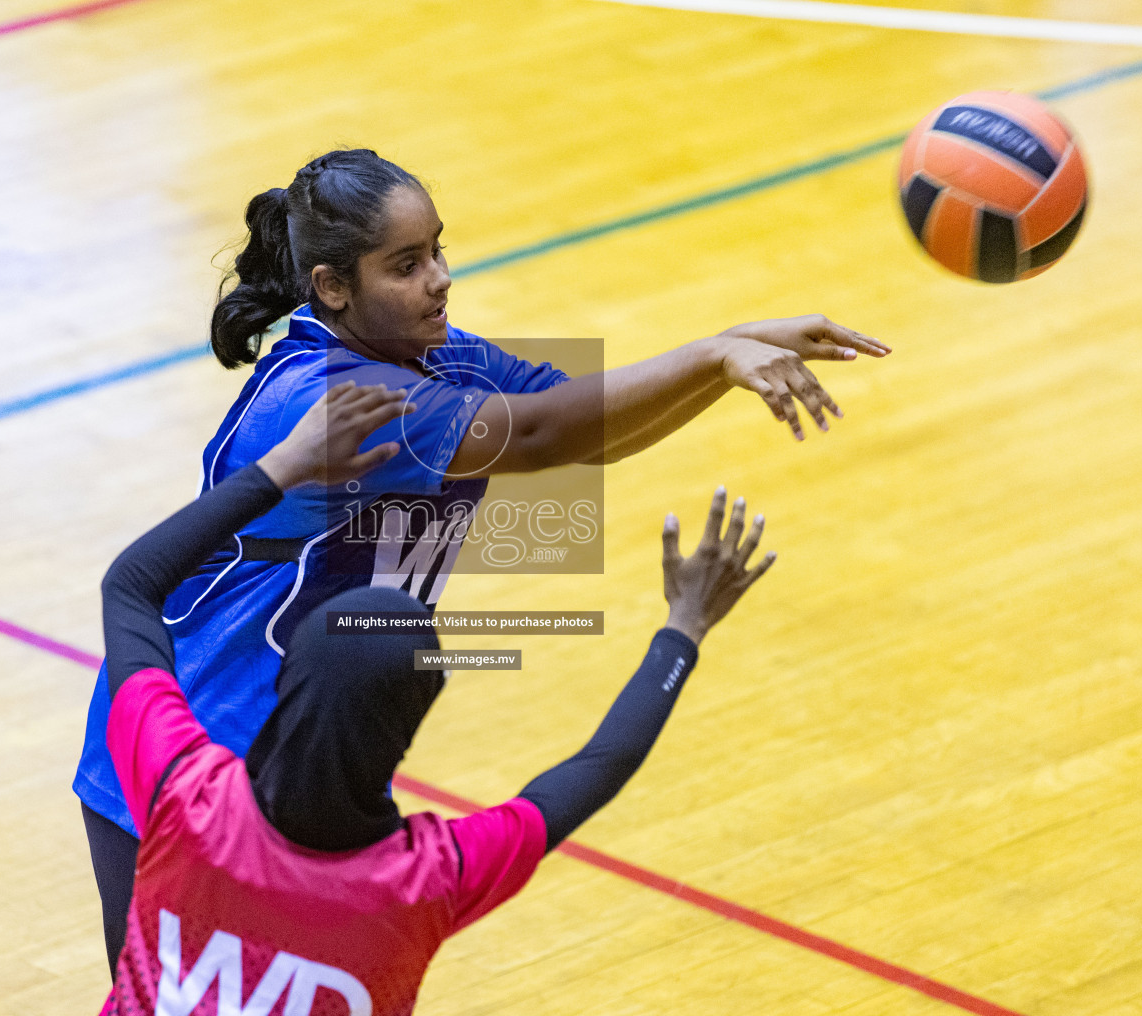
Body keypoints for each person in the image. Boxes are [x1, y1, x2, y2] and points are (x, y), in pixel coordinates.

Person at [76, 148, 887, 971]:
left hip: (316, 738)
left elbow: (586, 428)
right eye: (406, 264)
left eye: (438, 250)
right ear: (332, 286)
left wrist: (730, 353)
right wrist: (718, 355)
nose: (439, 279)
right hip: (188, 748)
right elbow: (536, 434)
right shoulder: (336, 395)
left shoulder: (439, 357)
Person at [97, 382, 776, 1015]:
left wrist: (285, 465)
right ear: (410, 726)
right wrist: (683, 628)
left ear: (289, 678)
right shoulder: (428, 878)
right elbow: (600, 765)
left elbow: (130, 586)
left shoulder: (184, 792)